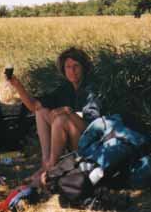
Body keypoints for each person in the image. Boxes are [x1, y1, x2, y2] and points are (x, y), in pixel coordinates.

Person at [8, 47, 101, 183]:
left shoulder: (91, 90)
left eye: (76, 66)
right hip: (69, 140)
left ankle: (50, 167)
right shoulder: (65, 88)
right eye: (68, 67)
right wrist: (18, 86)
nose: (72, 71)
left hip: (87, 144)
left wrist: (67, 112)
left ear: (83, 68)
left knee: (61, 119)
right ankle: (45, 163)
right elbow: (35, 107)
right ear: (64, 69)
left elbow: (91, 128)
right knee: (42, 111)